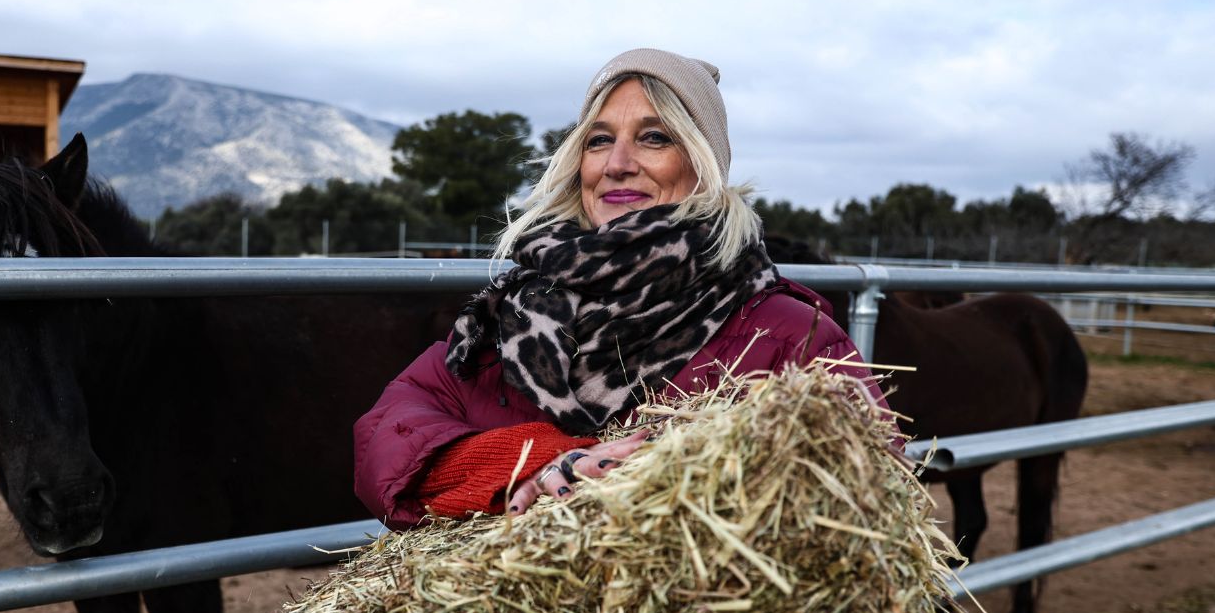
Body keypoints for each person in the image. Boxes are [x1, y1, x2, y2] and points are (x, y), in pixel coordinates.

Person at [355, 48, 884, 530]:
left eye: (655, 138)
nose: (617, 164)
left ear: (703, 164)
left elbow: (870, 512)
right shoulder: (511, 318)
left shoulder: (791, 337)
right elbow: (390, 428)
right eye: (599, 140)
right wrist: (531, 460)